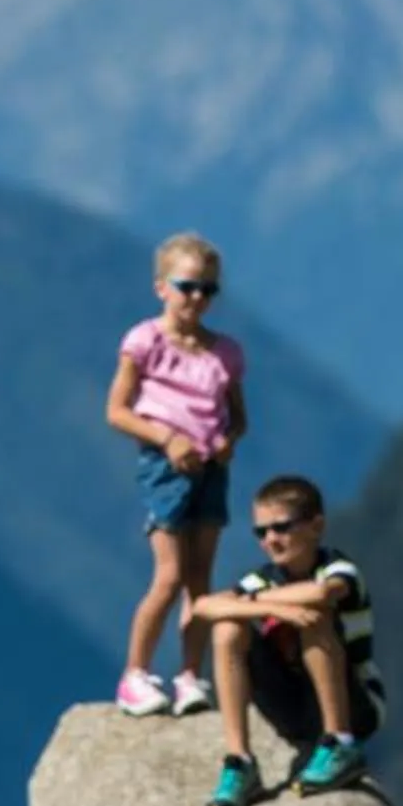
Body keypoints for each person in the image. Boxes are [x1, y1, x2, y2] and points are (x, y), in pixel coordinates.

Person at [105, 232, 246, 718]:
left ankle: (190, 675)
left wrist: (229, 441)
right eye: (187, 286)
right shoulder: (144, 342)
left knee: (200, 580)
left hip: (210, 468)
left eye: (208, 289)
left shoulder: (223, 353)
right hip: (166, 468)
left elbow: (237, 416)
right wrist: (167, 439)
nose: (197, 299)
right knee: (168, 576)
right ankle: (135, 674)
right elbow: (117, 411)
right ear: (161, 287)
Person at [192, 474, 387, 806]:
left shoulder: (337, 568)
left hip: (357, 704)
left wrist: (251, 602)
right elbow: (204, 607)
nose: (270, 540)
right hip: (291, 705)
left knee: (313, 617)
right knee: (227, 629)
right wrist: (274, 608)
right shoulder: (264, 579)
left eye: (280, 527)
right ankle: (240, 761)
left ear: (316, 526)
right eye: (261, 532)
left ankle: (339, 740)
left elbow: (320, 594)